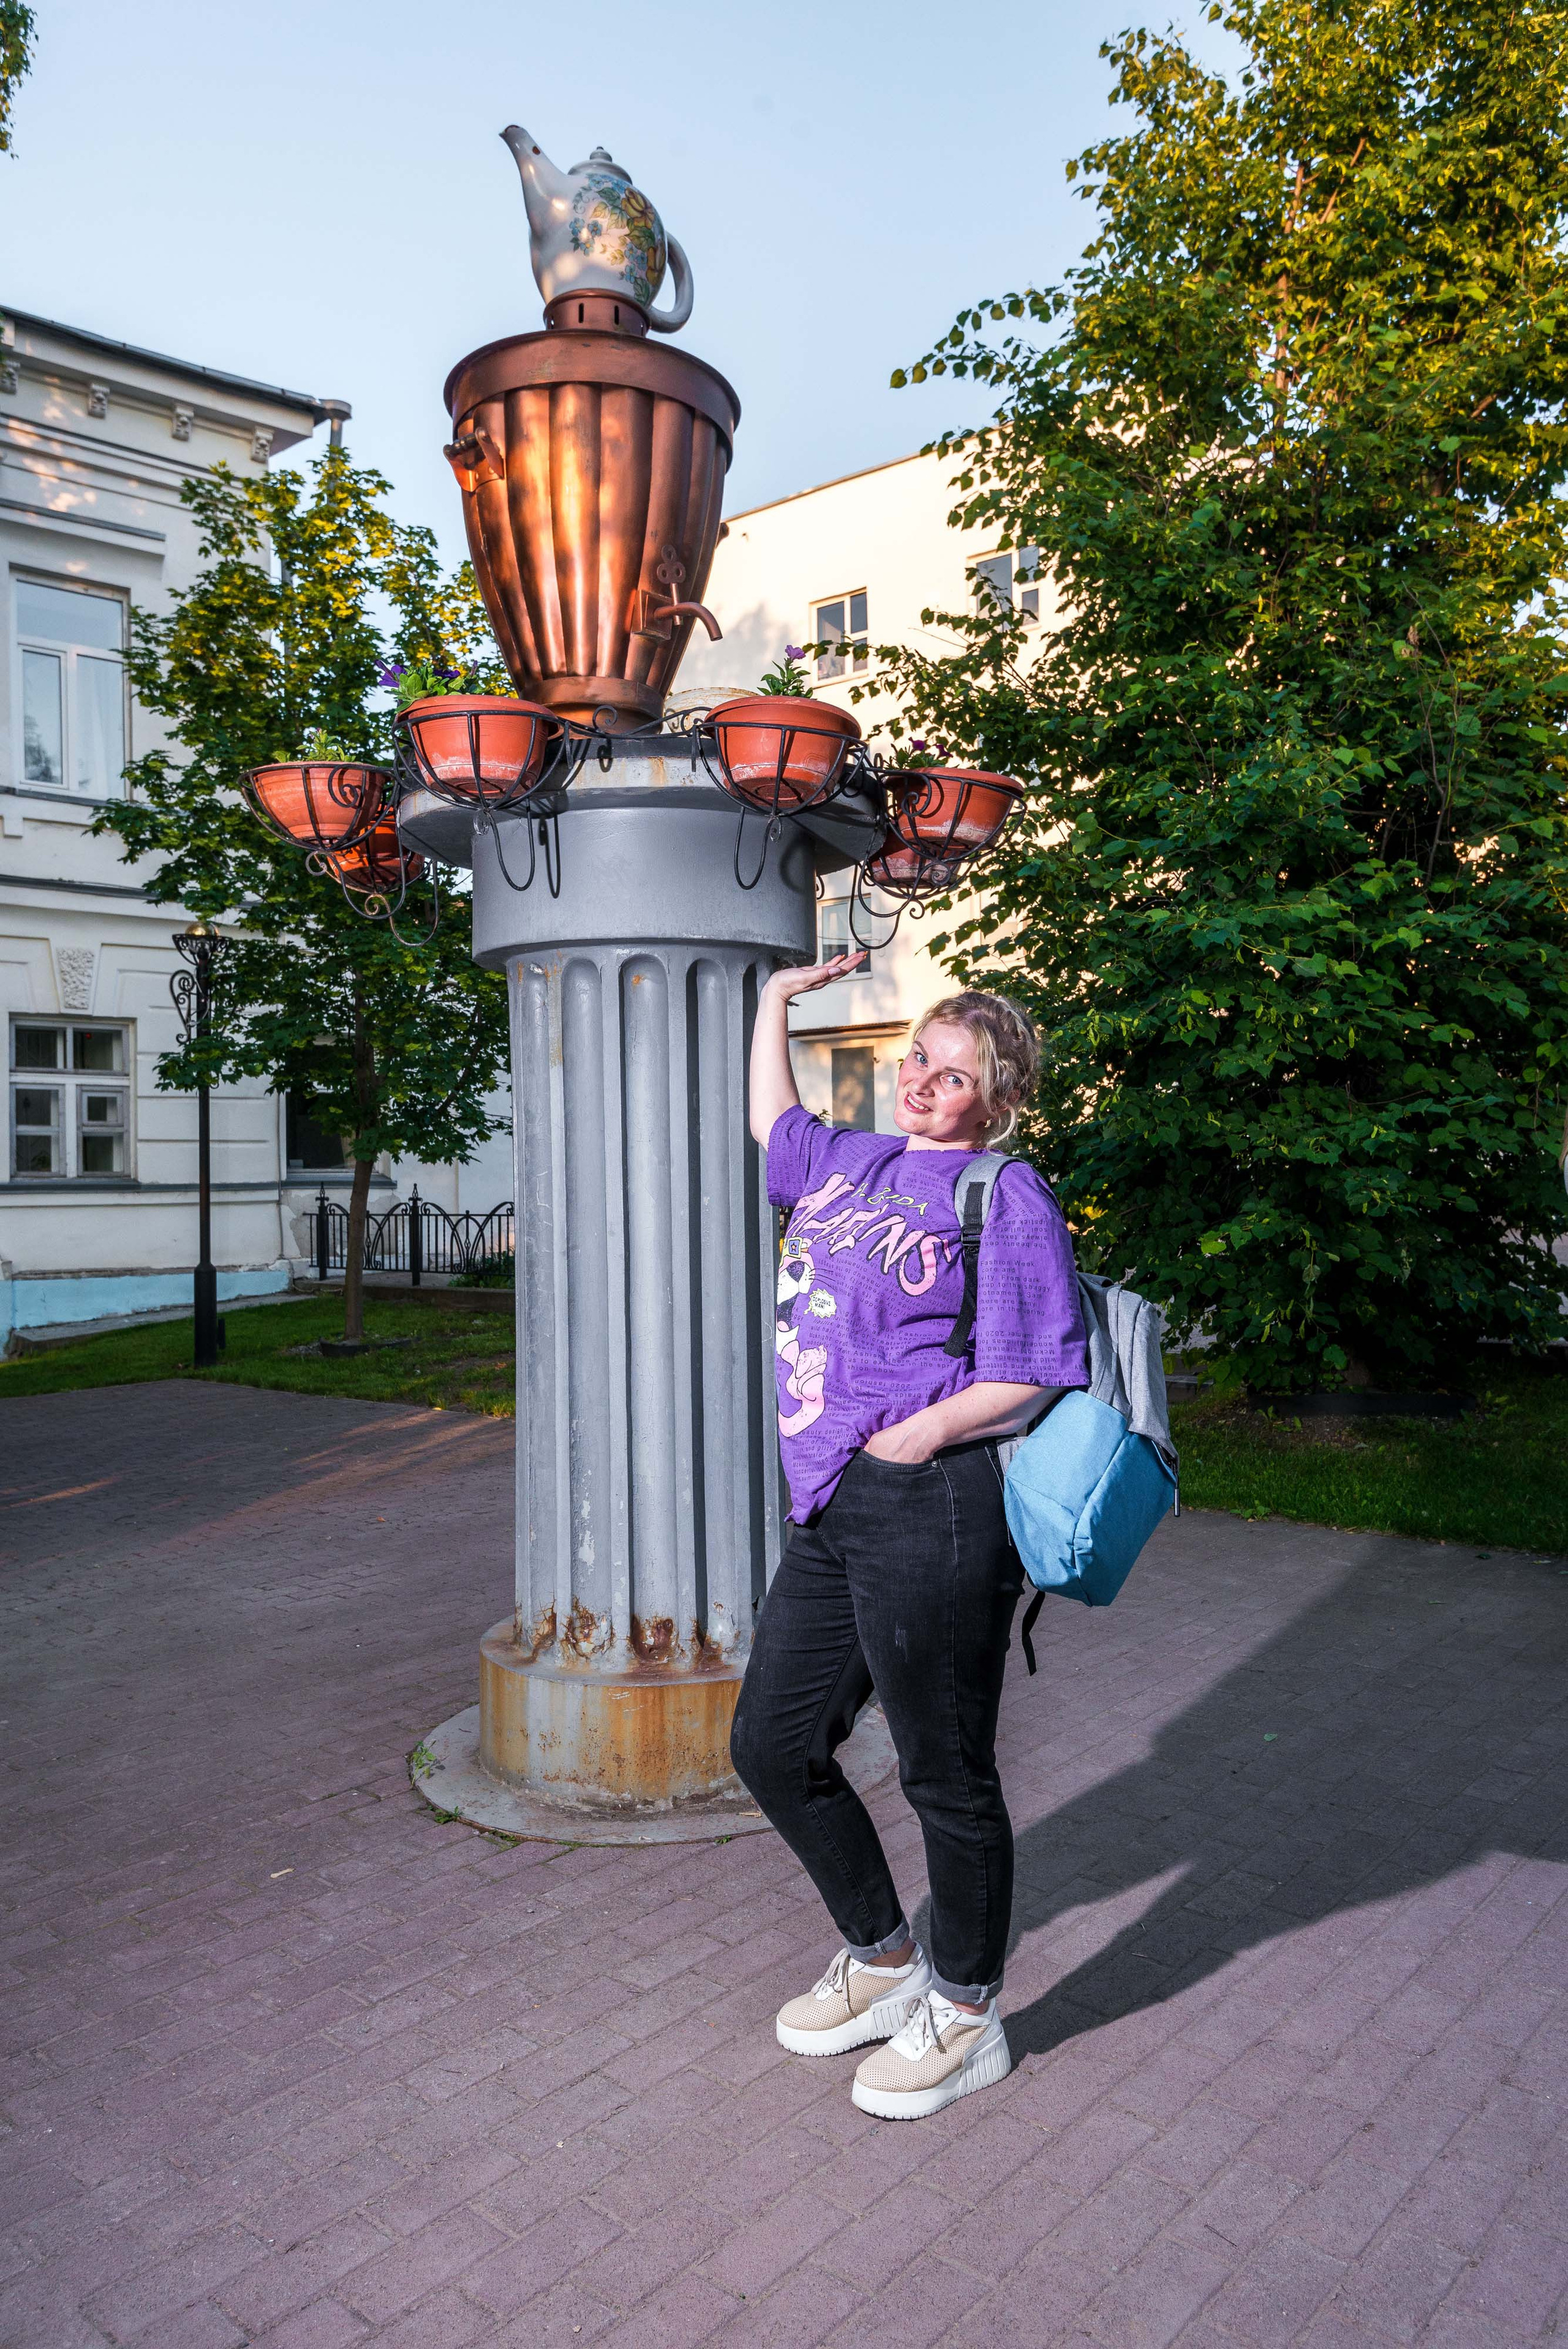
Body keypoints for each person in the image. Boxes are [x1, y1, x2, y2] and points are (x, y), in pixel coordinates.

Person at [731, 957, 1089, 2120]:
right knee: (773, 1746)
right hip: (832, 1505)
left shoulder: (1004, 1192)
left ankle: (967, 2009)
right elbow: (773, 1123)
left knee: (946, 1771)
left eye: (953, 1072)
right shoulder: (854, 1159)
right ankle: (885, 1958)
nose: (924, 1081)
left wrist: (918, 1436)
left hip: (928, 1503)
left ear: (997, 1098)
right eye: (918, 1059)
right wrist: (778, 998)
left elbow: (1034, 1371)